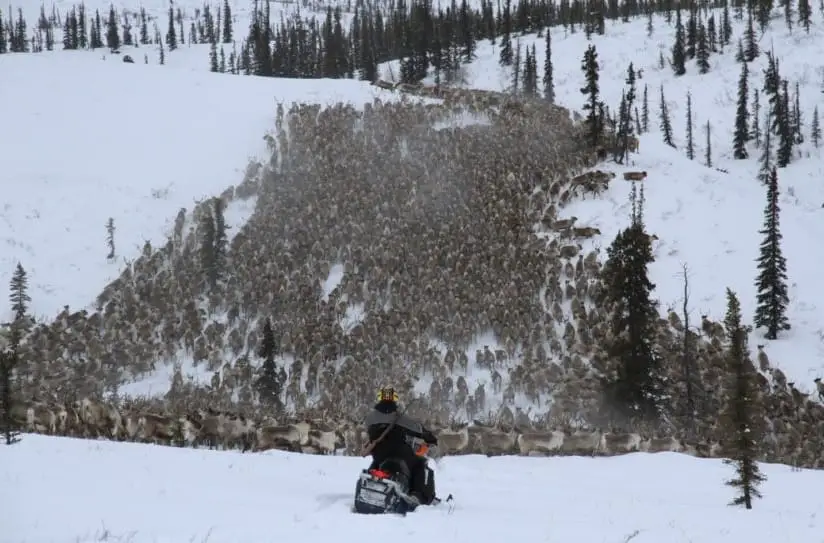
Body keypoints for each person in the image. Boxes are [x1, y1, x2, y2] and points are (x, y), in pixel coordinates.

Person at [364, 386, 439, 505]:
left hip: (380, 456)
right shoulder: (399, 417)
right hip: (400, 453)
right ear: (395, 399)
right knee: (420, 463)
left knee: (375, 464)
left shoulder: (370, 418)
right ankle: (418, 495)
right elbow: (418, 429)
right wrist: (430, 438)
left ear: (379, 398)